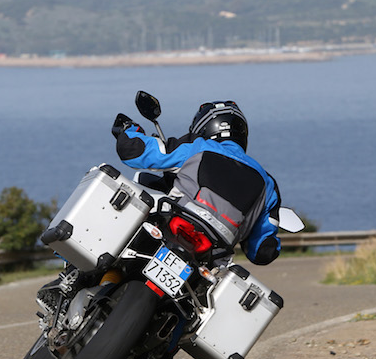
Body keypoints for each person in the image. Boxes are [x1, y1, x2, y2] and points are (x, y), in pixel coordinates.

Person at [112, 99, 282, 265]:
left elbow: (135, 151)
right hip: (212, 257)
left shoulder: (198, 147)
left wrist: (129, 129)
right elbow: (261, 251)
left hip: (174, 225)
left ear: (203, 128)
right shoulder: (268, 185)